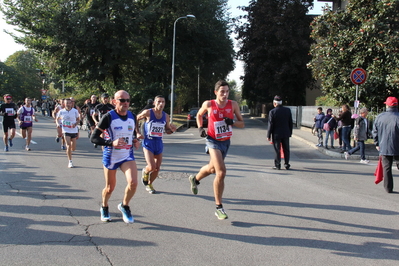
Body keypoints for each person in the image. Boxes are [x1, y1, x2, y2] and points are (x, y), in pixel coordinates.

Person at [188, 80, 245, 220]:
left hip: (225, 141)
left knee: (213, 169)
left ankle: (195, 179)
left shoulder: (233, 105)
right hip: (212, 140)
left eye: (227, 91)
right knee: (221, 172)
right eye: (222, 92)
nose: (225, 94)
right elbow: (199, 115)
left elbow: (242, 124)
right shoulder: (209, 104)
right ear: (216, 92)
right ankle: (219, 207)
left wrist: (232, 122)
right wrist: (200, 127)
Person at [90, 90, 141, 223]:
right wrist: (111, 143)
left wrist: (135, 140)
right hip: (111, 156)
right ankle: (104, 206)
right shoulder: (108, 117)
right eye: (122, 100)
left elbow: (130, 133)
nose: (125, 103)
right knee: (110, 188)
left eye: (128, 100)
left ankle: (124, 206)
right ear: (114, 102)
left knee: (133, 183)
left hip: (127, 155)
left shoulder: (132, 116)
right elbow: (93, 138)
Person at [137, 95, 177, 194]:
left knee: (157, 168)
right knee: (151, 166)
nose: (161, 104)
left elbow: (167, 130)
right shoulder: (148, 112)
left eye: (163, 102)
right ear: (154, 103)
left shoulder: (166, 116)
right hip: (148, 142)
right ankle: (145, 172)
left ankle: (149, 184)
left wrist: (172, 130)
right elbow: (135, 119)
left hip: (158, 143)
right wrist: (137, 132)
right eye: (159, 101)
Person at [372, 97, 399, 193]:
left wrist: (377, 143)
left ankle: (388, 187)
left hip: (384, 145)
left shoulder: (380, 117)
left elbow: (375, 132)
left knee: (387, 167)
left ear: (387, 105)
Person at [267, 95, 293, 170]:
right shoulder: (287, 110)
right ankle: (287, 164)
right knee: (286, 149)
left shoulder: (272, 112)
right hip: (286, 133)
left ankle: (277, 165)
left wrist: (268, 135)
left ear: (275, 103)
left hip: (276, 134)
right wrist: (290, 132)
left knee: (277, 150)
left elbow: (270, 124)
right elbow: (290, 123)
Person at [56, 98, 80, 168]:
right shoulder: (61, 111)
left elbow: (78, 120)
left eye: (69, 103)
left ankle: (69, 152)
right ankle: (70, 161)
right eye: (67, 103)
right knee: (68, 145)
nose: (68, 104)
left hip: (74, 130)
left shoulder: (75, 111)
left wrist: (75, 124)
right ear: (64, 104)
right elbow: (57, 119)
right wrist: (58, 124)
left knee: (73, 148)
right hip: (66, 130)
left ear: (71, 103)